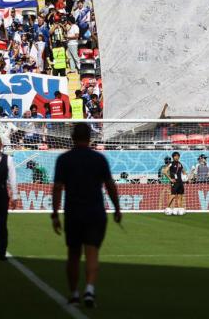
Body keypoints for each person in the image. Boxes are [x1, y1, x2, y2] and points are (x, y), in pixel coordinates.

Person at [51, 122, 122, 308]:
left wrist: (54, 214)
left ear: (73, 137)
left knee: (73, 254)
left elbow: (57, 188)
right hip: (95, 211)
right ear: (90, 138)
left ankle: (74, 294)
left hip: (74, 211)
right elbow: (110, 185)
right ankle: (89, 290)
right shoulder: (99, 159)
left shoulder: (64, 159)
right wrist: (117, 208)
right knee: (92, 252)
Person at [163, 151, 186, 215]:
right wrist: (170, 179)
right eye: (175, 156)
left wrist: (185, 176)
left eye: (178, 156)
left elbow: (183, 171)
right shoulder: (171, 163)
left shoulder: (180, 164)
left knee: (180, 196)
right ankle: (167, 208)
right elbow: (165, 171)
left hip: (180, 182)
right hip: (174, 182)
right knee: (173, 195)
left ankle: (180, 209)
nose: (177, 157)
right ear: (173, 157)